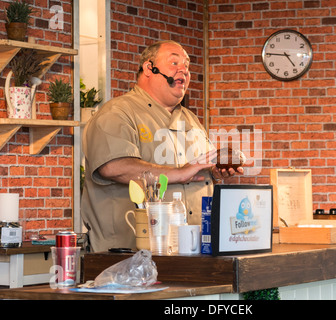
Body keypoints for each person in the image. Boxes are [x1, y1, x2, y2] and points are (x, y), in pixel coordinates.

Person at [81, 40, 243, 252]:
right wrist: (179, 173)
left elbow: (198, 172)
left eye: (186, 66)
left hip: (190, 250)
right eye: (174, 63)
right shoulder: (117, 113)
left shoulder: (190, 119)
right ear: (149, 68)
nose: (183, 70)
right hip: (128, 258)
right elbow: (113, 167)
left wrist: (215, 172)